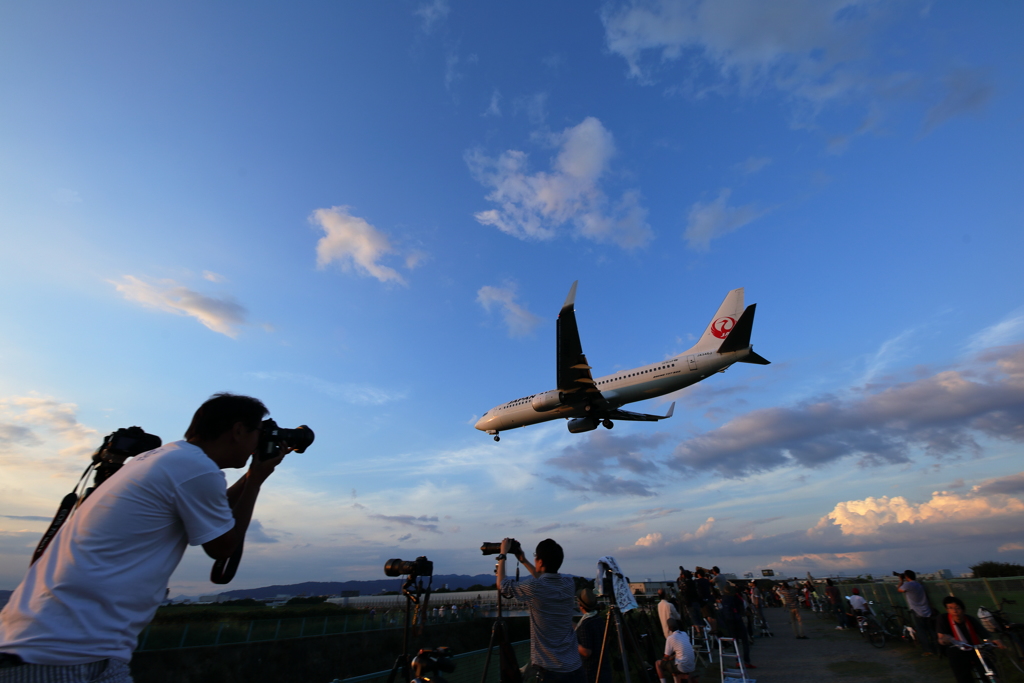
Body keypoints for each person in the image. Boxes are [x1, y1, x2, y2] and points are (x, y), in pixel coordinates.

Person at [0, 393, 287, 683]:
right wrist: (256, 481)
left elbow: (213, 511)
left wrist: (254, 475)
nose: (256, 445)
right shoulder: (197, 470)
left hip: (54, 642)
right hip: (67, 653)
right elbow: (223, 546)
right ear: (238, 431)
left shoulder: (166, 459)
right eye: (257, 433)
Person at [498, 538, 584, 683]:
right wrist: (523, 560)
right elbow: (544, 579)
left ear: (541, 561)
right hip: (575, 668)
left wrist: (502, 554)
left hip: (552, 672)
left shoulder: (534, 587)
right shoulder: (569, 583)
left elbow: (502, 585)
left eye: (535, 556)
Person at [936, 596, 1004, 683]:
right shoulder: (943, 619)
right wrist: (945, 639)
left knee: (988, 669)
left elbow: (985, 636)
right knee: (961, 671)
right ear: (947, 610)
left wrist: (992, 642)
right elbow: (941, 637)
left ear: (963, 610)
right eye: (950, 608)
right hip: (956, 649)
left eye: (957, 608)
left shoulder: (970, 620)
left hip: (974, 648)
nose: (954, 611)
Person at [575, 588, 611, 683]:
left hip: (590, 671)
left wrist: (571, 642)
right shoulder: (597, 618)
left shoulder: (585, 624)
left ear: (581, 606)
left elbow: (586, 652)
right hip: (603, 668)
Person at [897, 570, 937, 655]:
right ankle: (937, 647)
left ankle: (928, 650)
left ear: (907, 577)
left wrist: (901, 580)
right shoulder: (919, 584)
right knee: (931, 630)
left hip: (917, 611)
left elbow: (899, 589)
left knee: (922, 631)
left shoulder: (908, 585)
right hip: (927, 610)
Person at [657, 619, 698, 683]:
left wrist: (664, 659)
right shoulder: (684, 634)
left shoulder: (670, 638)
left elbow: (666, 657)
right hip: (692, 664)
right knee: (673, 662)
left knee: (658, 663)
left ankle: (663, 682)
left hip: (682, 666)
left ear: (669, 628)